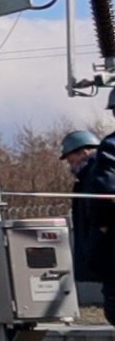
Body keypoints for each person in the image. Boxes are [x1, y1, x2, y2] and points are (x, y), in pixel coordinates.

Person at [65, 128, 115, 303]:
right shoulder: (91, 174)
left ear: (84, 152)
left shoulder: (97, 172)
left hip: (107, 247)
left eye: (71, 159)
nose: (70, 165)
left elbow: (102, 203)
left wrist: (101, 228)